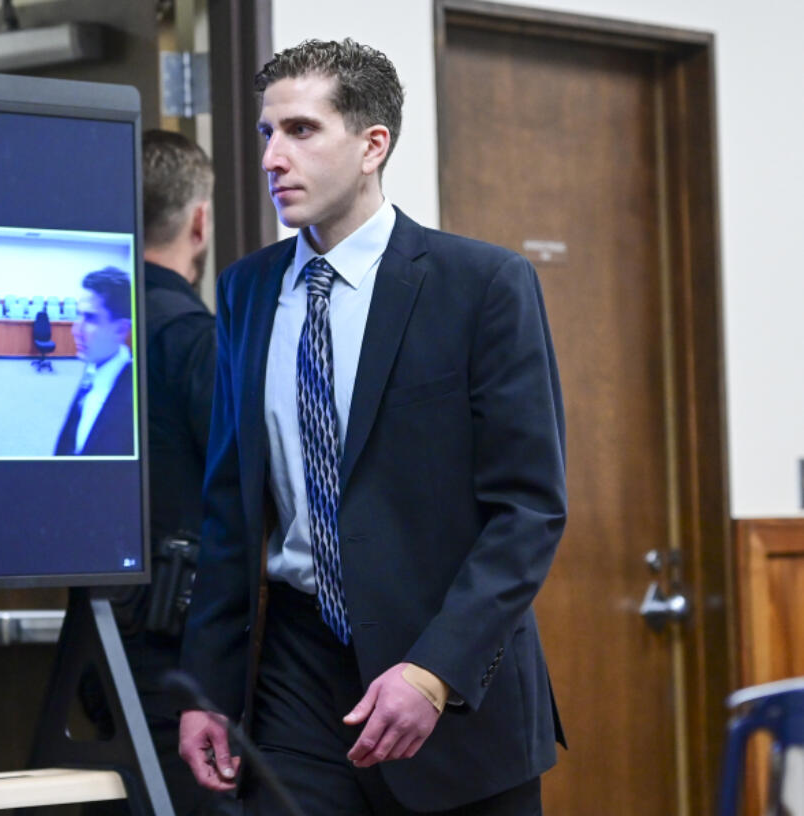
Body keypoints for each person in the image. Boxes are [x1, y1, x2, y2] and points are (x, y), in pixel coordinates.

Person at [177, 39, 567, 815]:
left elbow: (528, 510)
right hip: (296, 670)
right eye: (265, 134)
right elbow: (229, 509)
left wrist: (434, 671)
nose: (271, 157)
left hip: (452, 676)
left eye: (300, 130)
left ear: (371, 146)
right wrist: (208, 689)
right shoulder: (247, 291)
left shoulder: (483, 285)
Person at [112, 130, 232, 816]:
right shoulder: (197, 343)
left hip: (102, 647)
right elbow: (249, 502)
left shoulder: (87, 335)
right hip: (186, 665)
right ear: (199, 221)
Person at [54, 266, 134, 456]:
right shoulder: (95, 366)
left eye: (90, 318)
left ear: (121, 329)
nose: (76, 330)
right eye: (79, 315)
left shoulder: (132, 400)